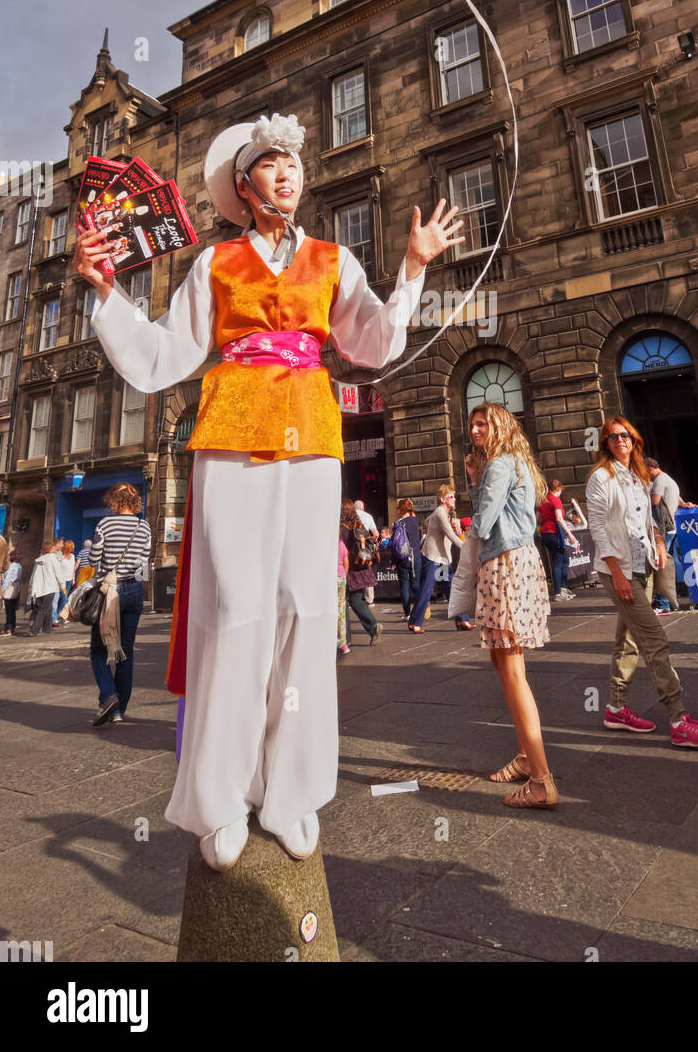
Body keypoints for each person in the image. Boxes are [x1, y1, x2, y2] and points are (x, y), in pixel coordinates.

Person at [73, 110, 459, 871]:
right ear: (243, 187)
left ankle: (292, 790)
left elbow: (375, 344)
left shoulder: (333, 257)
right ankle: (218, 797)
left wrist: (412, 271)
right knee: (234, 607)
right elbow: (161, 358)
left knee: (306, 608)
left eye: (294, 162)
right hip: (231, 433)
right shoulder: (213, 265)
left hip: (313, 438)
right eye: (271, 164)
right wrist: (106, 293)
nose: (288, 172)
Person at [586, 417, 698, 746]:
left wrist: (659, 543)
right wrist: (616, 573)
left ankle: (616, 708)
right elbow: (598, 529)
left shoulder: (639, 475)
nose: (620, 440)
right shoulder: (601, 478)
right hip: (617, 569)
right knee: (654, 638)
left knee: (629, 640)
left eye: (626, 435)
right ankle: (678, 718)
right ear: (605, 443)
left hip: (643, 564)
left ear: (635, 441)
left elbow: (648, 519)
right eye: (613, 437)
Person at [466, 401, 558, 808]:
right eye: (472, 424)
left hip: (504, 564)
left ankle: (541, 780)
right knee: (503, 663)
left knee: (513, 669)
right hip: (518, 562)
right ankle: (525, 757)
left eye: (483, 423)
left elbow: (483, 524)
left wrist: (478, 484)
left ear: (499, 426)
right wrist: (474, 479)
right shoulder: (516, 463)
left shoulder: (500, 465)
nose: (475, 431)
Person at [86, 484, 152, 726]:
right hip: (133, 590)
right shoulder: (143, 526)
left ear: (115, 501)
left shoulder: (105, 524)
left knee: (98, 650)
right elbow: (143, 563)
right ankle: (118, 711)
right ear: (135, 503)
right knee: (126, 650)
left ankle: (108, 695)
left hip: (108, 590)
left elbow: (93, 559)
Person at [409, 486, 467, 632]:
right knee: (426, 590)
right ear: (442, 499)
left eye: (454, 496)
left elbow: (427, 521)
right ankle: (414, 622)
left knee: (452, 589)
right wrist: (467, 547)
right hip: (432, 558)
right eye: (450, 496)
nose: (454, 499)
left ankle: (462, 620)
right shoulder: (440, 512)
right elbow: (451, 536)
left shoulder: (444, 514)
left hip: (442, 559)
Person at [341, 500, 382, 645]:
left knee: (343, 603)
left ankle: (345, 638)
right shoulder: (358, 526)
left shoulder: (343, 529)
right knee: (356, 600)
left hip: (349, 570)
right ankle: (373, 626)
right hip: (361, 569)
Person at [645, 456, 683, 615]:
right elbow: (678, 498)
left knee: (661, 565)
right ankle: (668, 598)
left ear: (650, 469)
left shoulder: (659, 480)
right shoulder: (668, 478)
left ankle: (663, 603)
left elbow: (655, 501)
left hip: (664, 528)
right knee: (666, 564)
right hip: (671, 528)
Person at [538, 479, 579, 602]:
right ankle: (558, 592)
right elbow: (559, 519)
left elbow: (537, 518)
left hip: (545, 532)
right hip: (554, 532)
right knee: (558, 561)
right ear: (558, 489)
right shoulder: (555, 500)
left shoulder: (543, 500)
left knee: (564, 559)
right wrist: (570, 534)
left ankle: (562, 588)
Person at [391, 497, 422, 621]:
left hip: (402, 558)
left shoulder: (397, 523)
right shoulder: (414, 520)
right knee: (415, 584)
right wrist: (411, 505)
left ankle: (407, 614)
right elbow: (413, 515)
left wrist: (393, 560)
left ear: (400, 509)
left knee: (404, 586)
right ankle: (422, 605)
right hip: (415, 556)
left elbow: (394, 544)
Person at [26, 541, 66, 636]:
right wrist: (62, 585)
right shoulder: (53, 558)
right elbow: (58, 573)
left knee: (48, 607)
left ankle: (47, 628)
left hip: (39, 588)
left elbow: (33, 575)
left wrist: (31, 586)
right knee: (43, 609)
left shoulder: (39, 560)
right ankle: (34, 630)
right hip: (50, 587)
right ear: (51, 549)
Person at [53, 539, 76, 626]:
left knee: (63, 599)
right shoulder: (61, 557)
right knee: (63, 598)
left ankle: (59, 615)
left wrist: (73, 578)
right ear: (69, 547)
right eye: (72, 546)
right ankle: (60, 616)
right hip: (61, 580)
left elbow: (72, 568)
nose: (74, 547)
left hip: (68, 580)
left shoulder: (73, 556)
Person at [1, 552, 22, 636]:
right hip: (16, 588)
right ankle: (12, 627)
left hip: (9, 588)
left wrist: (2, 590)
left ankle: (8, 628)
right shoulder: (19, 566)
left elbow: (7, 579)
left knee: (8, 610)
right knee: (12, 610)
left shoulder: (11, 566)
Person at [336, 533, 350, 655]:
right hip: (340, 577)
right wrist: (344, 575)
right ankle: (343, 643)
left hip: (328, 580)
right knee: (341, 611)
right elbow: (346, 562)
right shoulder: (340, 543)